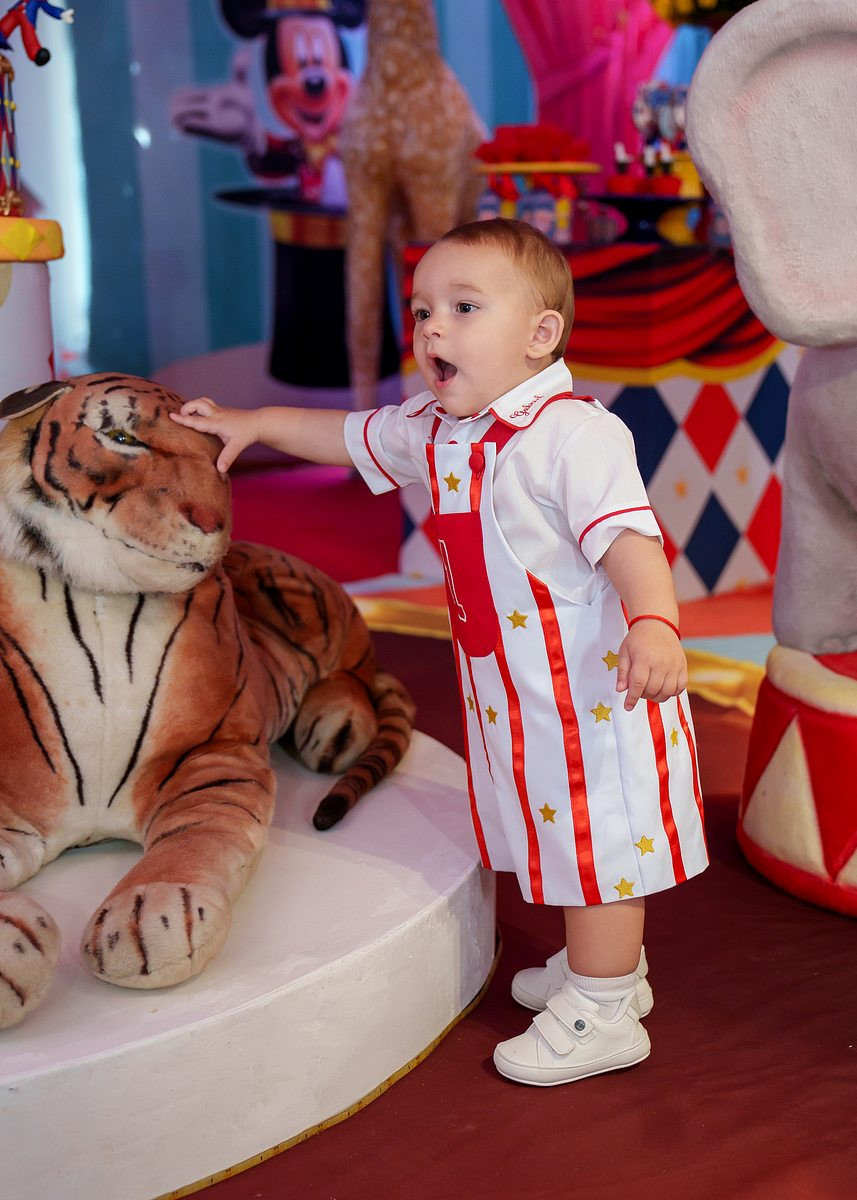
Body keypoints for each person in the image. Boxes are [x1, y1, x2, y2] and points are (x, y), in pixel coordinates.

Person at [171, 218, 707, 1087]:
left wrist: (654, 623)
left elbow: (629, 539)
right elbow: (347, 434)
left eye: (463, 308)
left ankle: (606, 1008)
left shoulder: (572, 436)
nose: (430, 330)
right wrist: (256, 421)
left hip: (592, 699)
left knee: (594, 850)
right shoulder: (439, 427)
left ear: (539, 334)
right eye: (421, 311)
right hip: (515, 698)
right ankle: (602, 970)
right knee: (554, 836)